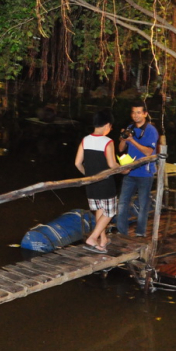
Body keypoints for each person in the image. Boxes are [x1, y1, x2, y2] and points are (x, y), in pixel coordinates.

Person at [75, 109, 120, 254]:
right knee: (110, 212)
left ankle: (103, 240)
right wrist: (124, 169)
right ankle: (93, 238)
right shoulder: (108, 142)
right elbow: (112, 164)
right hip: (105, 184)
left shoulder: (85, 140)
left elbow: (77, 163)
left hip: (91, 185)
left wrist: (88, 175)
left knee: (100, 210)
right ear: (107, 125)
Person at [117, 100, 159, 237]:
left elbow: (148, 152)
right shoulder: (130, 127)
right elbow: (120, 149)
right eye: (133, 112)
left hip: (145, 173)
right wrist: (123, 138)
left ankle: (140, 232)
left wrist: (132, 141)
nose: (136, 116)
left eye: (139, 113)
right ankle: (122, 232)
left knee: (143, 204)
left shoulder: (151, 130)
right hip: (129, 171)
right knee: (122, 203)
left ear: (145, 114)